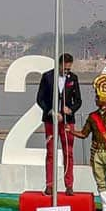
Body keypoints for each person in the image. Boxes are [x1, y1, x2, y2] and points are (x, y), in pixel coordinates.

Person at [72, 74, 106, 211]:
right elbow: (84, 134)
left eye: (97, 97)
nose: (96, 99)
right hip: (96, 152)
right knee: (100, 181)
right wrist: (71, 131)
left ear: (104, 98)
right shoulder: (92, 116)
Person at [36, 53, 82, 196]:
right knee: (50, 152)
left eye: (69, 69)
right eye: (65, 68)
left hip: (68, 121)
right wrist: (49, 111)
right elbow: (40, 99)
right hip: (51, 120)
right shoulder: (47, 77)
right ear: (59, 64)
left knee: (69, 152)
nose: (67, 71)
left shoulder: (73, 78)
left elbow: (78, 101)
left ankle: (69, 185)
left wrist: (71, 109)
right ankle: (49, 185)